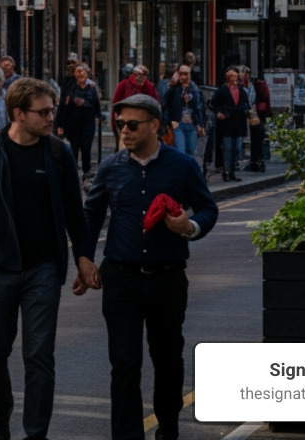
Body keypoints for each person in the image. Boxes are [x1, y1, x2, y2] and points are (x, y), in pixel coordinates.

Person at [0, 78, 98, 440]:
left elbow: (77, 214)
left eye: (52, 111)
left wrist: (84, 258)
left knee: (39, 356)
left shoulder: (58, 154)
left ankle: (35, 434)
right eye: (43, 112)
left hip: (43, 269)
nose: (50, 118)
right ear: (18, 114)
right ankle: (1, 412)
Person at [83, 94, 219, 440]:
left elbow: (208, 208)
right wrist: (83, 259)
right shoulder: (111, 168)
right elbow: (91, 217)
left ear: (155, 125)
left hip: (167, 278)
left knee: (168, 361)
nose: (124, 132)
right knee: (125, 364)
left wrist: (190, 227)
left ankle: (168, 428)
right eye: (120, 125)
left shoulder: (182, 165)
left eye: (132, 124)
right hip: (121, 279)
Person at [56, 63, 101, 178]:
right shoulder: (70, 86)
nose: (80, 74)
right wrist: (60, 124)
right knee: (74, 148)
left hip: (87, 123)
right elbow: (63, 105)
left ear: (87, 73)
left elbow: (96, 105)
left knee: (86, 148)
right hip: (73, 123)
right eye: (77, 71)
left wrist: (85, 104)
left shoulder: (91, 87)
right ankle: (73, 172)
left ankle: (86, 172)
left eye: (82, 72)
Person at [210, 68, 250, 183]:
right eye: (230, 76)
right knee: (227, 148)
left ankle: (233, 171)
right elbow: (212, 104)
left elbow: (246, 103)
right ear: (227, 77)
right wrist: (218, 112)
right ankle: (226, 171)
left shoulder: (241, 90)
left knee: (237, 148)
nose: (233, 78)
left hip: (238, 123)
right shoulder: (222, 90)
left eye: (235, 76)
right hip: (226, 123)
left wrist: (245, 109)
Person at [161, 65, 203, 159]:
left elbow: (199, 107)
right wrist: (167, 123)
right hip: (178, 124)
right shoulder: (174, 89)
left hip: (192, 124)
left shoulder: (195, 89)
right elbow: (166, 106)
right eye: (181, 73)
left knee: (190, 151)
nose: (183, 76)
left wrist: (200, 124)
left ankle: (187, 172)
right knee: (181, 151)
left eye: (186, 74)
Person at [241, 68, 271, 173]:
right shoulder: (244, 86)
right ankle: (256, 161)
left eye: (243, 73)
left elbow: (260, 99)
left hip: (255, 115)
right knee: (255, 139)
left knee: (256, 139)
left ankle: (257, 162)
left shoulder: (256, 85)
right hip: (252, 114)